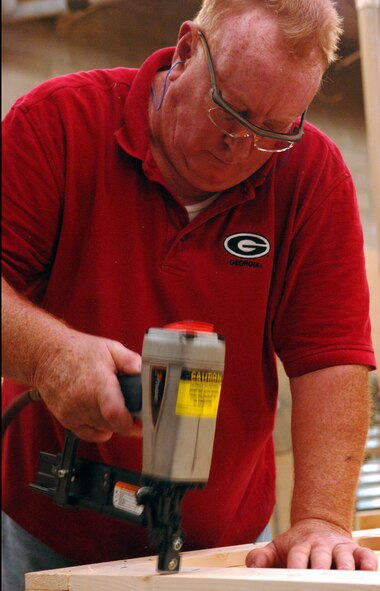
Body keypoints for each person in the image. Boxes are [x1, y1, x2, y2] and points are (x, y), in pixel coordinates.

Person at [2, 0, 378, 588]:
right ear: (183, 54)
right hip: (44, 534)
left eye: (272, 133)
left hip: (223, 549)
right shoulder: (59, 122)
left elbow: (330, 356)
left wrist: (322, 519)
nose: (242, 148)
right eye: (232, 112)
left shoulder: (312, 175)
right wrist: (52, 355)